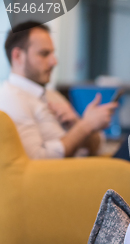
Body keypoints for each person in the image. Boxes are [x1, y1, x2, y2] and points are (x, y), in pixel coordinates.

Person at [0, 21, 117, 159]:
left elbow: (98, 147)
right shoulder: (10, 98)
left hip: (90, 168)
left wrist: (78, 123)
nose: (54, 62)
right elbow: (36, 160)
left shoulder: (51, 95)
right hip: (70, 177)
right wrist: (85, 126)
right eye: (44, 54)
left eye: (52, 54)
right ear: (17, 56)